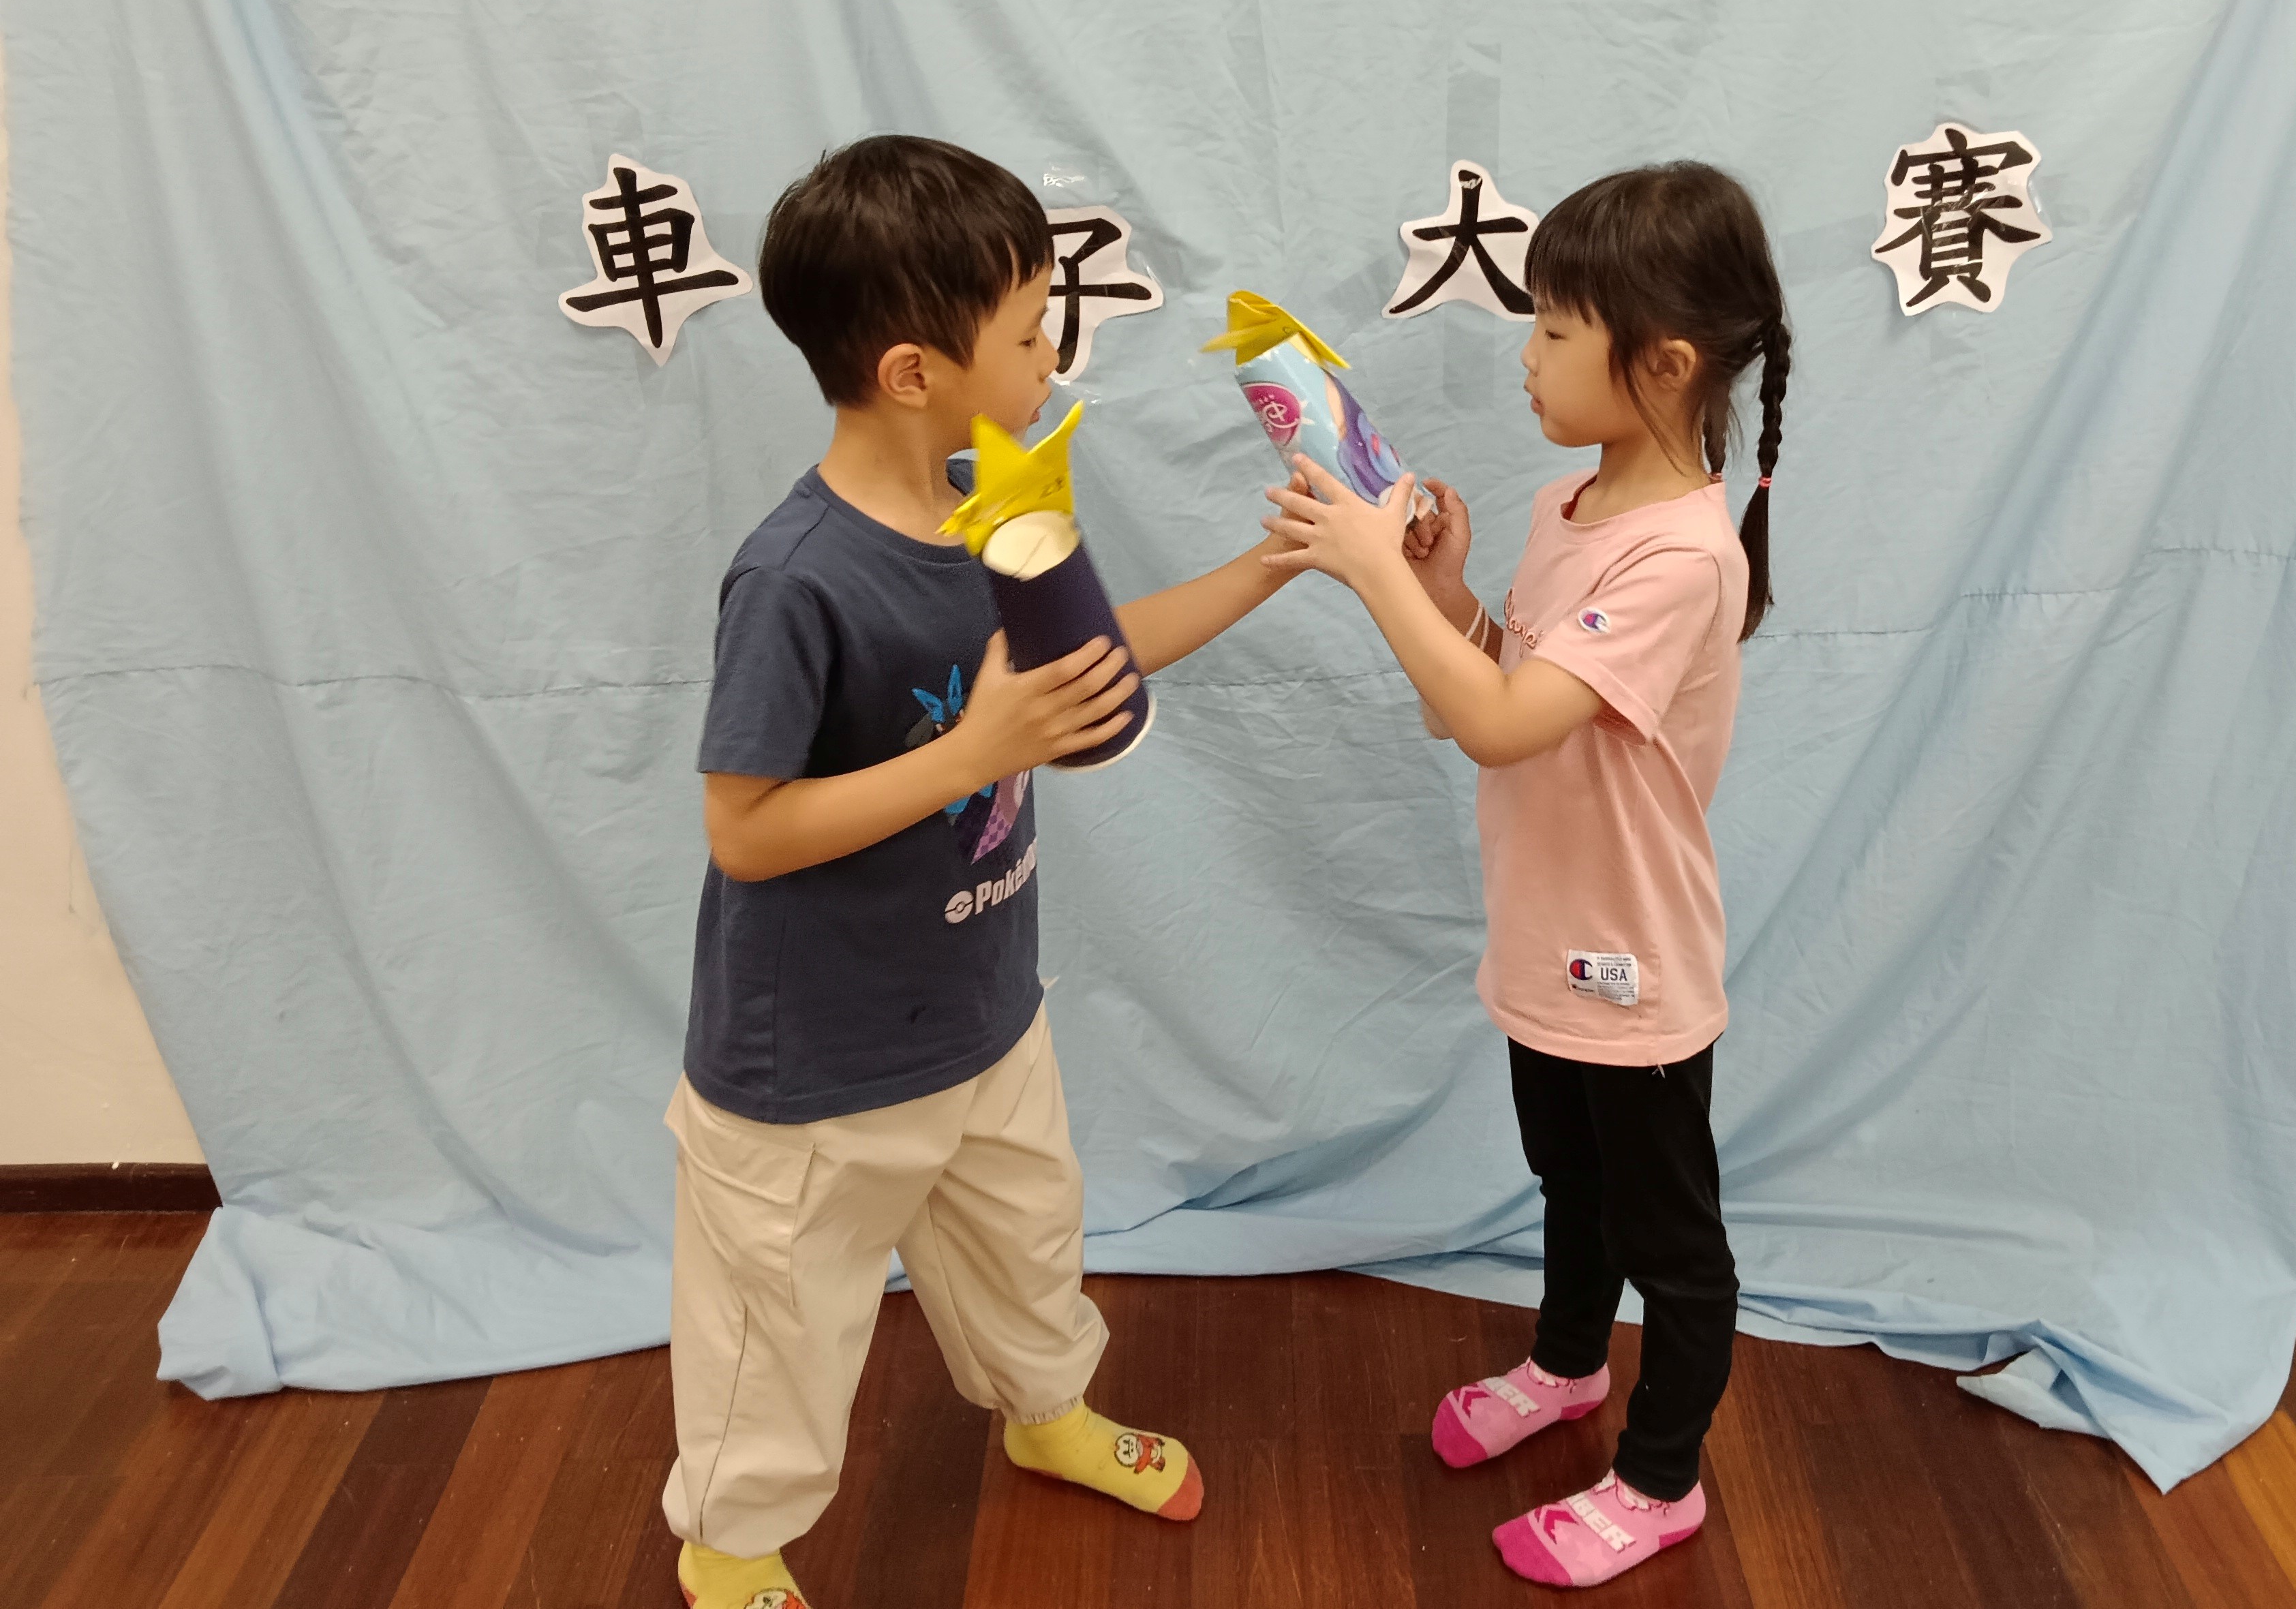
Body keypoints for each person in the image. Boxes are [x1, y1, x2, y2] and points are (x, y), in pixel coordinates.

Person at [667, 136, 1292, 1609]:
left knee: (1027, 1247)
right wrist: (973, 752)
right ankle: (731, 1543)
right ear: (911, 371)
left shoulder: (992, 504)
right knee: (778, 1322)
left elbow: (1091, 664)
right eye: (1025, 333)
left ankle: (1046, 1412)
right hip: (812, 1069)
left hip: (984, 1010)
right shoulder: (794, 577)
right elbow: (743, 831)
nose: (1050, 356)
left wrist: (1281, 564)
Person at [1264, 161, 1788, 1590]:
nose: (1528, 355)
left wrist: (1373, 574)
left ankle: (1662, 1480)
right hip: (1544, 934)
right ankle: (1567, 1365)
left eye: (1557, 329)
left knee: (1671, 1242)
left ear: (1663, 362)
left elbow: (1499, 722)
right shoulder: (1571, 507)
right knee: (1569, 1178)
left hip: (1631, 961)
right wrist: (1441, 590)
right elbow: (1490, 702)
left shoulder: (1682, 558)